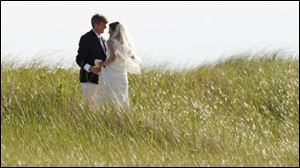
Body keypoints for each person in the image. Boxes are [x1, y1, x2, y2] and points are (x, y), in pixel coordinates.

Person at [96, 22, 141, 110]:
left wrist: (103, 64)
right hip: (122, 75)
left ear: (114, 31)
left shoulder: (110, 42)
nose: (108, 32)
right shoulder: (126, 45)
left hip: (111, 75)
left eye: (109, 29)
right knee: (121, 98)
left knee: (108, 97)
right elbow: (132, 58)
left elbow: (113, 57)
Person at [76, 13, 108, 111]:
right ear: (96, 24)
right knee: (89, 106)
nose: (106, 27)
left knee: (98, 108)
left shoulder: (103, 40)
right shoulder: (86, 38)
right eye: (104, 24)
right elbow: (79, 59)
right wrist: (90, 68)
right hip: (88, 79)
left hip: (101, 79)